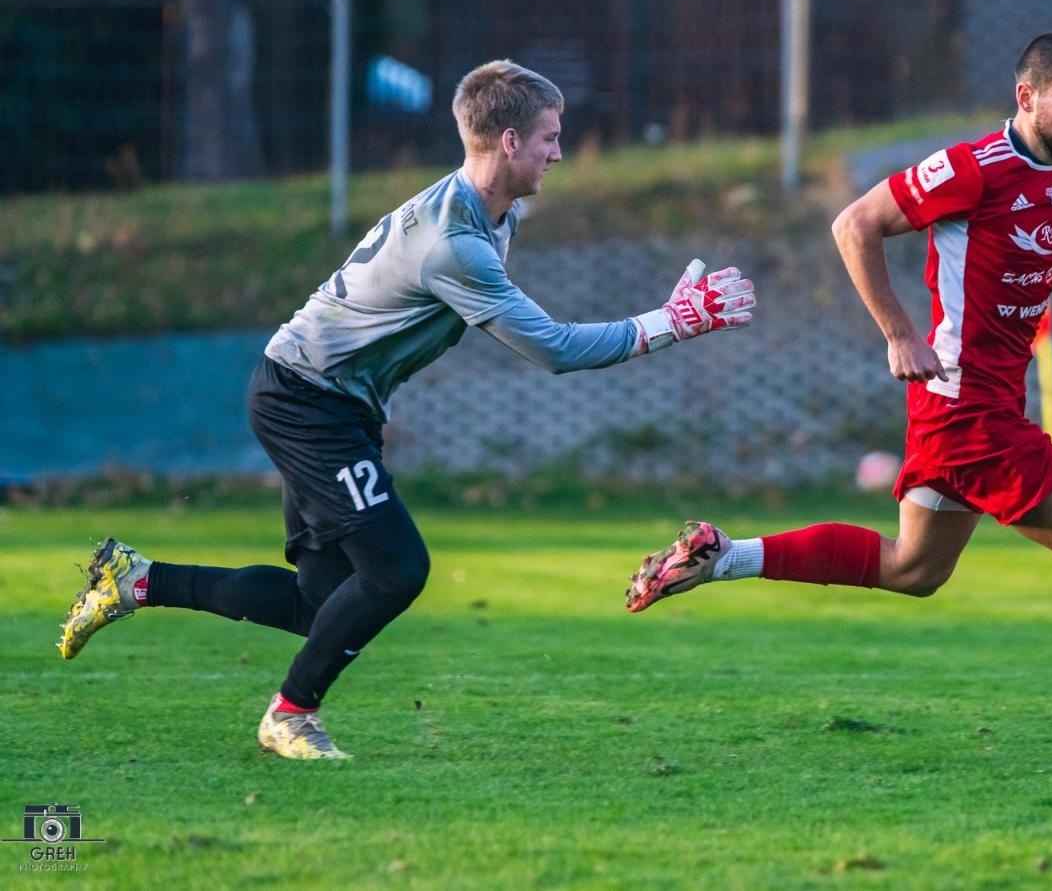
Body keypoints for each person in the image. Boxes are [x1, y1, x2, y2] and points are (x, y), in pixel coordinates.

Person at [59, 59, 757, 760]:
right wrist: (674, 320)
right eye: (549, 136)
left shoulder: (491, 212)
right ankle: (291, 714)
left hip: (325, 399)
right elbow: (554, 349)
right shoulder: (453, 243)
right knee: (397, 569)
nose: (560, 150)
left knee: (320, 604)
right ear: (508, 141)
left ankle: (138, 579)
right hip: (307, 400)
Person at [626, 33, 1052, 757]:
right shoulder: (973, 168)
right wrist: (898, 331)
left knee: (916, 568)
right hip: (970, 412)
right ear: (1026, 98)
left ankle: (726, 554)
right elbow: (854, 224)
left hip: (967, 410)